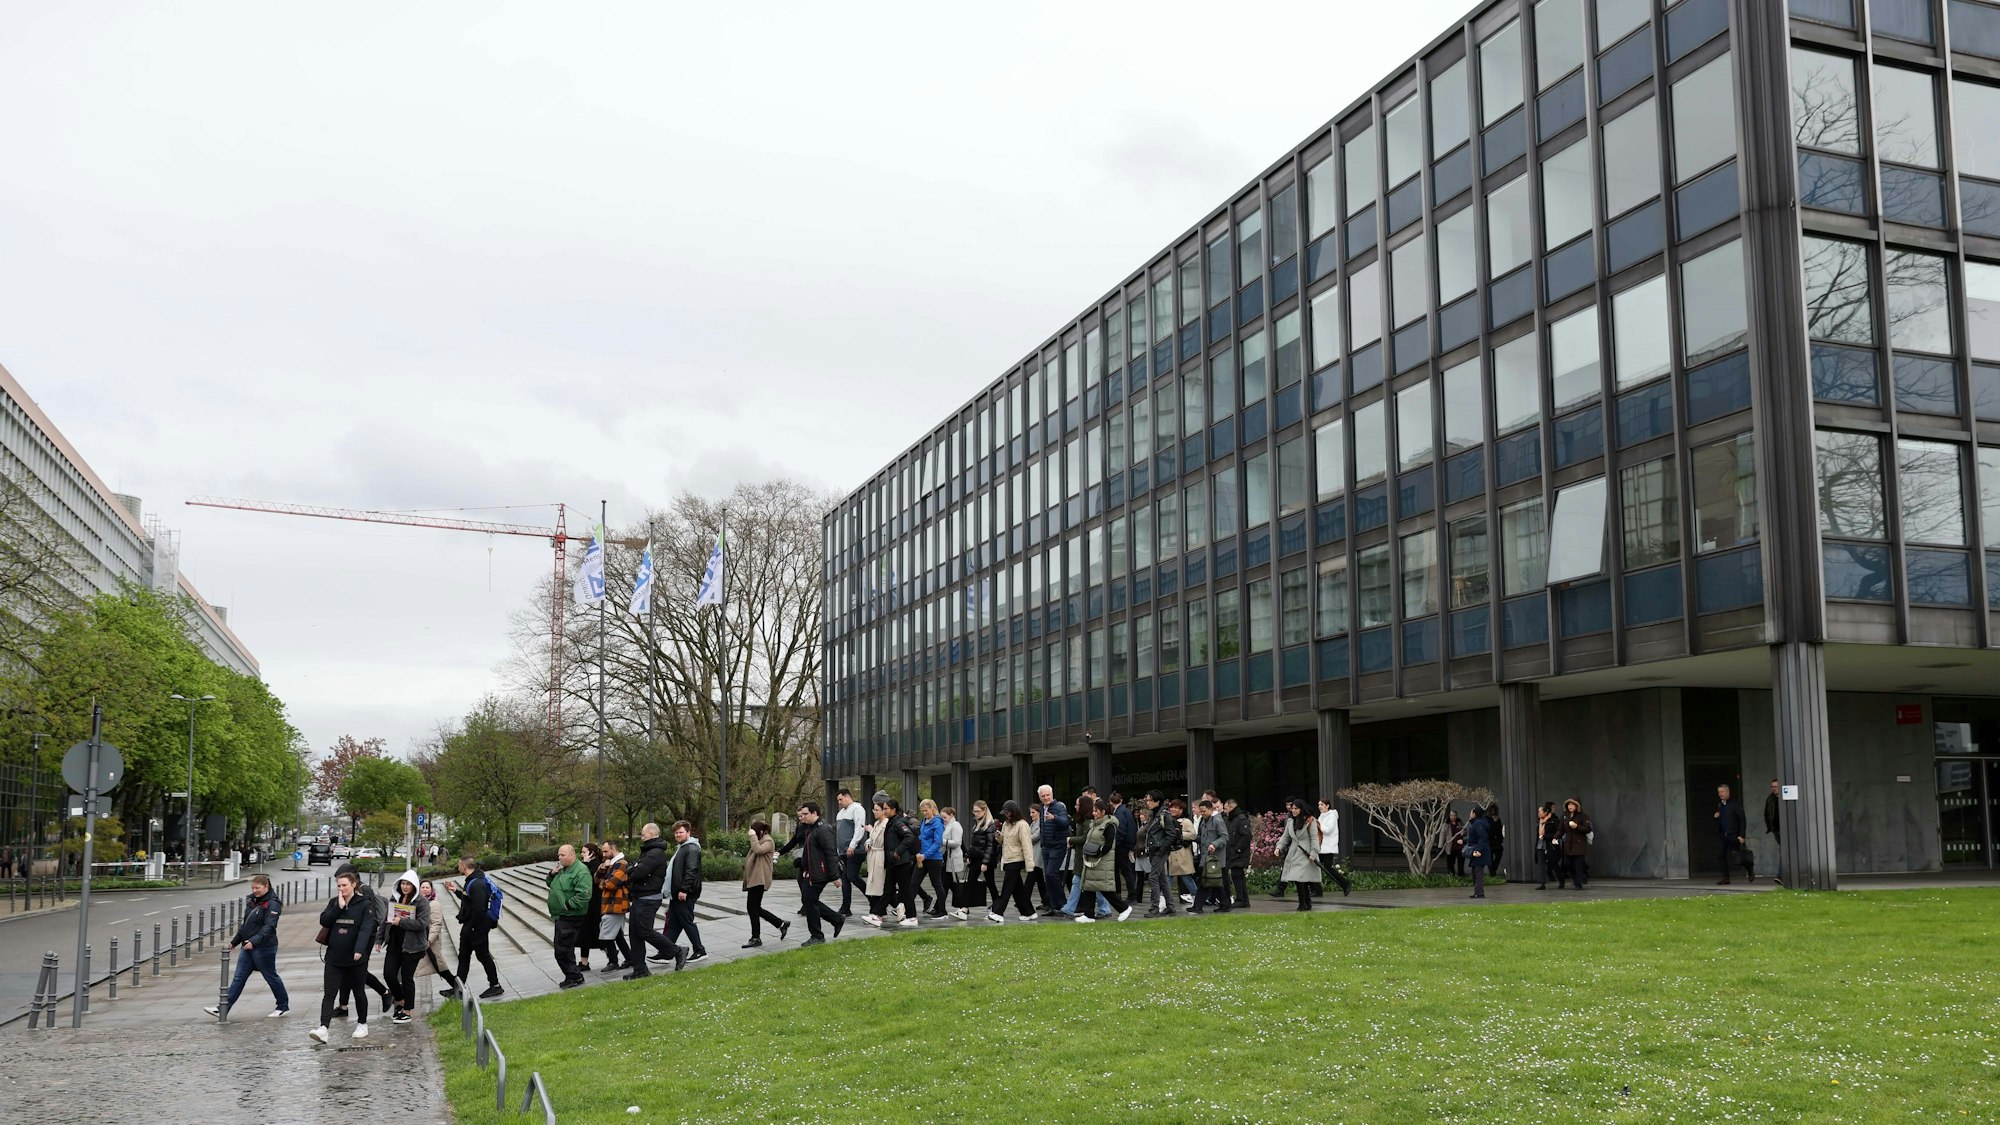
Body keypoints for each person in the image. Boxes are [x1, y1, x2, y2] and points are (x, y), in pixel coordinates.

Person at [204, 873, 290, 1020]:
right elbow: (246, 925)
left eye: (258, 888)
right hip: (247, 946)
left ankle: (283, 1006)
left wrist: (255, 941)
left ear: (266, 887)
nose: (255, 890)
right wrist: (235, 941)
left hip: (264, 947)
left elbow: (269, 926)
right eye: (253, 887)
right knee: (238, 978)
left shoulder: (272, 904)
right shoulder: (252, 901)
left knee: (271, 977)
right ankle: (223, 1008)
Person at [310, 871, 378, 1044]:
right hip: (334, 957)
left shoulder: (364, 904)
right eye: (339, 886)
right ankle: (323, 1028)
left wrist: (359, 950)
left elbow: (366, 929)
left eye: (344, 885)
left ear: (353, 885)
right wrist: (337, 907)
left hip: (356, 959)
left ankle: (362, 1024)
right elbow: (324, 921)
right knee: (329, 993)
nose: (341, 889)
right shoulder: (334, 902)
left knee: (358, 992)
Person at [331, 863, 392, 1019]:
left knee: (356, 970)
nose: (340, 886)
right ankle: (343, 1006)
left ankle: (384, 992)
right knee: (346, 970)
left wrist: (362, 939)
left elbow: (368, 919)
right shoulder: (350, 891)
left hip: (364, 937)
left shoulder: (364, 891)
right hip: (349, 935)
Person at [623, 822, 685, 978]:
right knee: (635, 934)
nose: (642, 837)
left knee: (644, 931)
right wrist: (633, 868)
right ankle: (640, 970)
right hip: (640, 897)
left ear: (651, 834)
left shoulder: (655, 853)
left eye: (643, 834)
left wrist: (633, 868)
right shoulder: (648, 852)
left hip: (649, 898)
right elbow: (633, 868)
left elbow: (638, 873)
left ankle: (677, 951)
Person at [380, 869, 432, 1019]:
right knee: (389, 975)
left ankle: (407, 1010)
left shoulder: (421, 902)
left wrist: (401, 922)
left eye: (408, 884)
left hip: (412, 946)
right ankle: (400, 1000)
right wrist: (379, 940)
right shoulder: (394, 898)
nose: (405, 887)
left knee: (407, 978)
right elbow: (385, 920)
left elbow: (422, 924)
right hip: (394, 944)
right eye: (403, 883)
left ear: (414, 885)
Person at [793, 802, 845, 944]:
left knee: (809, 901)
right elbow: (809, 852)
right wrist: (802, 865)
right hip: (812, 871)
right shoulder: (811, 829)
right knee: (809, 900)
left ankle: (817, 936)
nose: (802, 817)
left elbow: (831, 853)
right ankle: (835, 919)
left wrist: (835, 876)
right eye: (801, 814)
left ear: (814, 813)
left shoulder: (823, 830)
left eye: (805, 814)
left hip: (819, 873)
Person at [452, 857, 504, 999]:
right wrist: (456, 891)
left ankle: (495, 986)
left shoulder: (477, 884)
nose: (458, 867)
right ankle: (458, 988)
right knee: (463, 956)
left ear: (464, 866)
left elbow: (479, 908)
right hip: (470, 925)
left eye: (459, 865)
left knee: (483, 956)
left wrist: (473, 929)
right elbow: (469, 900)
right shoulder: (472, 881)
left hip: (476, 927)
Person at [1075, 797, 1133, 922]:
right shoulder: (1095, 824)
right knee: (1089, 886)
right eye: (1093, 811)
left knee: (1104, 888)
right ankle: (1088, 914)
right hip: (1093, 860)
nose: (1093, 813)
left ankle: (1124, 908)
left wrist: (1098, 852)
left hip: (1102, 861)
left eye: (1096, 811)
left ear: (1103, 811)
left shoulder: (1109, 824)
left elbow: (1108, 844)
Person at [545, 844, 592, 989]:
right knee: (562, 949)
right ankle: (573, 975)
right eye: (559, 855)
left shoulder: (581, 871)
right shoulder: (563, 869)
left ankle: (574, 976)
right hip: (561, 916)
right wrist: (552, 874)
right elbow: (550, 884)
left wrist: (568, 905)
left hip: (570, 916)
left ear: (572, 855)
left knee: (563, 949)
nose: (559, 858)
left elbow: (584, 895)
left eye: (562, 855)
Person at [662, 821, 708, 963]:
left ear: (688, 832)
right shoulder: (682, 847)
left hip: (684, 894)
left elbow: (691, 870)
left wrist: (684, 889)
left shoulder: (691, 848)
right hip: (677, 894)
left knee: (687, 922)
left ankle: (700, 950)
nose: (678, 835)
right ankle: (666, 952)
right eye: (676, 833)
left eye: (681, 832)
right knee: (674, 923)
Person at [741, 821, 791, 947]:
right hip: (755, 879)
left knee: (753, 908)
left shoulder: (768, 841)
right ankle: (780, 924)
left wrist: (753, 837)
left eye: (754, 833)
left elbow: (758, 850)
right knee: (754, 908)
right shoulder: (760, 840)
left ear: (760, 832)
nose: (752, 836)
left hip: (760, 879)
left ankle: (756, 937)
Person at [986, 800, 1038, 922]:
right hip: (1008, 859)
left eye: (1008, 812)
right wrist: (999, 837)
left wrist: (1030, 865)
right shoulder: (1006, 824)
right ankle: (1029, 912)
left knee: (1007, 888)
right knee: (1017, 889)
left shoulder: (1022, 825)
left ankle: (997, 911)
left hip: (1016, 859)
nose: (1006, 815)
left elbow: (1027, 845)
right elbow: (1004, 842)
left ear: (1013, 812)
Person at [593, 838, 632, 973]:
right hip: (611, 904)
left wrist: (602, 882)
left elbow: (611, 884)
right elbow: (596, 879)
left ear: (613, 850)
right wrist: (602, 868)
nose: (603, 854)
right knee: (616, 935)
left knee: (607, 935)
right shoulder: (610, 864)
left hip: (616, 905)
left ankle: (613, 961)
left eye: (605, 851)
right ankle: (629, 958)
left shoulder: (621, 864)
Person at [1277, 798, 1322, 911]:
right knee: (1299, 879)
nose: (1294, 811)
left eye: (1296, 808)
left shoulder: (1310, 820)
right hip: (1294, 852)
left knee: (1301, 879)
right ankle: (1305, 902)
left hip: (1306, 852)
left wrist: (1313, 852)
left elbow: (1314, 838)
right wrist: (1278, 847)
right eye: (1292, 809)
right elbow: (1285, 836)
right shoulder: (1291, 821)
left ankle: (1303, 903)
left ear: (1301, 809)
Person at [1142, 790, 1179, 917]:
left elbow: (1171, 834)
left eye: (1150, 800)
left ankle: (1155, 907)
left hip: (1159, 851)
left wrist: (1163, 849)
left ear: (1157, 801)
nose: (1147, 802)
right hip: (1155, 850)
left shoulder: (1163, 815)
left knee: (1153, 877)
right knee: (1162, 879)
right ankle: (1170, 906)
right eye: (1147, 800)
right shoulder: (1155, 814)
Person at [1035, 784, 1071, 913]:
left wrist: (1054, 818)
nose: (1046, 798)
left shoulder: (1059, 806)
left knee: (1051, 873)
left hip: (1057, 845)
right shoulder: (1041, 807)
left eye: (1047, 795)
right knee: (1048, 877)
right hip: (1046, 846)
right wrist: (1043, 843)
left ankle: (1062, 904)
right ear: (1039, 797)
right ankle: (1053, 905)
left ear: (1052, 794)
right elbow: (1042, 826)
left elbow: (1065, 823)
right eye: (1043, 796)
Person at [835, 788, 869, 917]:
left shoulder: (857, 809)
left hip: (855, 850)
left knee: (852, 876)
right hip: (843, 851)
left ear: (848, 797)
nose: (839, 802)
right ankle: (845, 907)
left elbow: (859, 828)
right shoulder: (841, 813)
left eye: (841, 799)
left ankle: (873, 898)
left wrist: (852, 845)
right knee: (845, 878)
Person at [1194, 798, 1229, 913]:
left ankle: (1223, 904)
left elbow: (1225, 837)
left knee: (1213, 882)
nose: (1202, 814)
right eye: (1201, 811)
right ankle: (1198, 906)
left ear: (1210, 809)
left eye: (1204, 811)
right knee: (1206, 882)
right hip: (1206, 858)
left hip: (1215, 859)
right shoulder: (1205, 820)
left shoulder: (1218, 821)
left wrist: (1214, 844)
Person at [961, 800, 995, 917]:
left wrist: (985, 862)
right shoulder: (977, 823)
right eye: (974, 811)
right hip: (975, 858)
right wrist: (969, 855)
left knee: (991, 884)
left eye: (977, 811)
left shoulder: (990, 825)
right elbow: (974, 843)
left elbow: (990, 845)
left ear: (984, 811)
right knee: (970, 883)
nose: (975, 813)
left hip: (984, 859)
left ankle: (997, 907)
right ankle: (965, 908)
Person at [1314, 797, 1353, 897]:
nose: (1320, 807)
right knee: (1315, 867)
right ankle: (1316, 890)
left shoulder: (1332, 816)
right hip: (1321, 846)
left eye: (1322, 804)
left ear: (1327, 805)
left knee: (1327, 867)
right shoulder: (1322, 816)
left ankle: (1345, 883)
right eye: (1319, 805)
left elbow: (1327, 830)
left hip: (1328, 846)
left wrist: (1317, 824)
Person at [1714, 783, 1752, 885]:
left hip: (1734, 834)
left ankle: (1749, 869)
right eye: (1719, 792)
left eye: (1722, 792)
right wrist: (1717, 815)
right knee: (1720, 855)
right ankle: (1725, 877)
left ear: (1727, 792)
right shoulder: (1720, 805)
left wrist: (1742, 835)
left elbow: (1742, 820)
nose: (1720, 794)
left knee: (1738, 855)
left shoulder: (1735, 804)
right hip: (1723, 835)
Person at [862, 798, 892, 926]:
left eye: (877, 810)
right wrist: (868, 844)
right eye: (873, 809)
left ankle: (878, 912)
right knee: (873, 884)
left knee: (879, 886)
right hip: (873, 855)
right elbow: (871, 838)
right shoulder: (876, 824)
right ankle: (876, 912)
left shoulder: (886, 824)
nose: (874, 812)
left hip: (881, 856)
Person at [917, 799, 947, 918]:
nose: (924, 813)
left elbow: (937, 842)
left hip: (934, 859)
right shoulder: (924, 821)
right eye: (922, 811)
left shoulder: (937, 823)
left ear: (933, 809)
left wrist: (925, 854)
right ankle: (906, 909)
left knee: (937, 884)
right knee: (914, 883)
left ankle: (943, 911)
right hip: (922, 857)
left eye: (926, 810)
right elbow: (921, 837)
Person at [577, 842, 604, 972]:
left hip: (595, 905)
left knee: (599, 933)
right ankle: (584, 962)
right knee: (585, 934)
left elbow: (588, 879)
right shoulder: (586, 864)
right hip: (587, 905)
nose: (581, 854)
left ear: (591, 853)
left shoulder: (597, 865)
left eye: (584, 852)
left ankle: (612, 956)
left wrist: (586, 863)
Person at [1166, 798, 1198, 907]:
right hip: (1170, 853)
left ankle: (1196, 898)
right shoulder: (1167, 819)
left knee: (1186, 878)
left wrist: (1179, 834)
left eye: (1176, 807)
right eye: (1172, 807)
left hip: (1182, 853)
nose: (1173, 809)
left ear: (1181, 809)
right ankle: (1164, 900)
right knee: (1168, 878)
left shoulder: (1186, 821)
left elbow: (1193, 835)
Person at [1224, 798, 1253, 909]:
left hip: (1239, 852)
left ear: (1231, 807)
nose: (1225, 811)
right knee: (1237, 875)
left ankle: (1241, 899)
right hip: (1233, 851)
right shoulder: (1230, 819)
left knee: (1237, 875)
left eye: (1226, 808)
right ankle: (1243, 900)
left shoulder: (1241, 819)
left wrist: (1237, 849)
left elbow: (1246, 836)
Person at [940, 806, 966, 920]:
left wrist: (941, 841)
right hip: (948, 859)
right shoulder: (948, 825)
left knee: (949, 884)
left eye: (945, 817)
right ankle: (962, 906)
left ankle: (961, 906)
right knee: (948, 884)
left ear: (951, 815)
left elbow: (957, 842)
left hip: (952, 859)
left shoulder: (955, 825)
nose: (943, 819)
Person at [1560, 799, 1593, 890]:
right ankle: (1577, 879)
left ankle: (1578, 883)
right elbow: (1560, 829)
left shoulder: (1583, 816)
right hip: (1568, 845)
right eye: (1569, 804)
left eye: (1572, 804)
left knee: (1578, 865)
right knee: (1567, 864)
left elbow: (1588, 829)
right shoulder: (1565, 816)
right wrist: (1555, 837)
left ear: (1577, 806)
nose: (1570, 806)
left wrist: (1577, 826)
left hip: (1579, 845)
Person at [1464, 806, 1492, 899]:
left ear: (1474, 814)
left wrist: (1478, 850)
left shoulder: (1478, 824)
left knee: (1478, 872)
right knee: (1476, 871)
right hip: (1478, 849)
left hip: (1479, 851)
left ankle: (1479, 893)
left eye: (1471, 812)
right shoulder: (1479, 823)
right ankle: (1477, 892)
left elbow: (1482, 838)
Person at [1534, 802, 1561, 890]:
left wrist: (1545, 836)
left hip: (1549, 845)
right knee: (1541, 864)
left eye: (1541, 811)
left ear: (1546, 812)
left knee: (1554, 863)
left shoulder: (1552, 821)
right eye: (1538, 811)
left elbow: (1555, 833)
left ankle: (1561, 880)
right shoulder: (1539, 822)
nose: (1539, 813)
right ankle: (1542, 883)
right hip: (1540, 845)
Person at [1764, 779, 1782, 884]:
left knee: (1784, 851)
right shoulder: (1770, 799)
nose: (1774, 788)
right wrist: (1770, 827)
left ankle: (1781, 875)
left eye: (1776, 786)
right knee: (1784, 851)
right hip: (1776, 829)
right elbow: (1767, 813)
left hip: (1785, 830)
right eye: (1772, 786)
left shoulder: (1785, 797)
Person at [1443, 811, 1466, 877]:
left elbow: (1465, 831)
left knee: (1461, 861)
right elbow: (1442, 835)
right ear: (1449, 816)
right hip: (1450, 846)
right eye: (1452, 815)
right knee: (1450, 862)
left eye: (1455, 815)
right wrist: (1440, 846)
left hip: (1459, 846)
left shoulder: (1459, 822)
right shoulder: (1446, 824)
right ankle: (1451, 875)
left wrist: (1463, 832)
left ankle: (1461, 875)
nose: (1453, 817)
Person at [1486, 804, 1506, 877]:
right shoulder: (1486, 819)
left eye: (1494, 810)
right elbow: (1489, 830)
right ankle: (1492, 873)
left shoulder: (1498, 819)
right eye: (1492, 810)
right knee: (1489, 859)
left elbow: (1499, 830)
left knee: (1499, 854)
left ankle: (1493, 870)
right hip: (1489, 841)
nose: (1493, 812)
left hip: (1497, 841)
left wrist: (1501, 839)